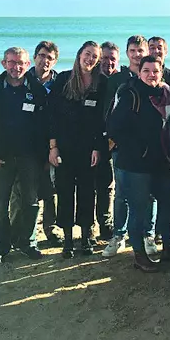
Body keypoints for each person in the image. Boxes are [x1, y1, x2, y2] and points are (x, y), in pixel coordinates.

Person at [106, 55, 170, 272]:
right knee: (138, 209)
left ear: (161, 72)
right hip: (136, 164)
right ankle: (139, 255)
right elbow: (114, 127)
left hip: (162, 160)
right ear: (139, 73)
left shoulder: (166, 94)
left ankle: (168, 246)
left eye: (155, 71)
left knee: (168, 202)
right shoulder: (131, 94)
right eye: (146, 71)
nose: (151, 75)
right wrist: (138, 149)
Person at [0, 47, 48, 264]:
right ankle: (1, 246)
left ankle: (28, 243)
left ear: (28, 64)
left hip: (29, 159)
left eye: (21, 63)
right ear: (4, 64)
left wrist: (43, 158)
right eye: (12, 62)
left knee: (31, 204)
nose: (17, 67)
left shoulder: (38, 91)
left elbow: (46, 128)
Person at [48, 41, 109, 258]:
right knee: (64, 193)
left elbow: (103, 120)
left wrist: (98, 148)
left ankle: (85, 238)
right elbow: (51, 116)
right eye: (87, 54)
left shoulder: (101, 83)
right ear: (79, 54)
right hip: (64, 149)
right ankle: (67, 240)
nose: (90, 59)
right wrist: (53, 147)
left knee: (87, 194)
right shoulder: (63, 79)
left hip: (89, 150)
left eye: (94, 56)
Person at [17, 40, 60, 246]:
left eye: (49, 58)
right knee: (25, 192)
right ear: (34, 57)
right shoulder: (22, 80)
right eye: (41, 56)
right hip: (26, 145)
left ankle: (50, 230)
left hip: (53, 144)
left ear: (55, 61)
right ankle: (23, 233)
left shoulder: (60, 83)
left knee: (51, 190)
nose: (45, 61)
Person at [94, 41, 120, 241]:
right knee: (101, 185)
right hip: (94, 140)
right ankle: (103, 224)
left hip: (117, 141)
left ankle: (112, 224)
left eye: (112, 58)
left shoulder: (122, 79)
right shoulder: (92, 80)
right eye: (104, 58)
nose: (108, 62)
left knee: (115, 185)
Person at [104, 35, 148, 117]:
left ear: (147, 52)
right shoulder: (115, 80)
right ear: (127, 53)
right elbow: (107, 111)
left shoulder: (151, 78)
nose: (136, 54)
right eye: (132, 50)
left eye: (140, 50)